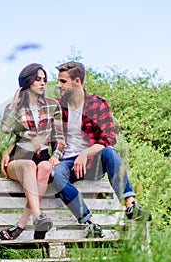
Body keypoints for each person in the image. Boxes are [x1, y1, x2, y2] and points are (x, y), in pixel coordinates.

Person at [51, 61, 152, 238]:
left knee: (110, 152)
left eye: (63, 81)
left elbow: (108, 139)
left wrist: (84, 153)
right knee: (56, 173)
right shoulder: (57, 107)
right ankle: (89, 223)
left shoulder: (98, 105)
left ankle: (130, 204)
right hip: (66, 164)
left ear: (77, 82)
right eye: (58, 81)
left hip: (91, 163)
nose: (58, 85)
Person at [0, 63, 65, 240]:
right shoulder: (16, 107)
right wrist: (14, 104)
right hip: (20, 157)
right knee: (29, 164)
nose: (42, 83)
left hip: (42, 155)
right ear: (27, 83)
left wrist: (56, 156)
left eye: (44, 80)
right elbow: (5, 128)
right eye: (37, 80)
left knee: (45, 168)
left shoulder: (52, 106)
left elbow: (59, 137)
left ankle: (21, 225)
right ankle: (37, 217)